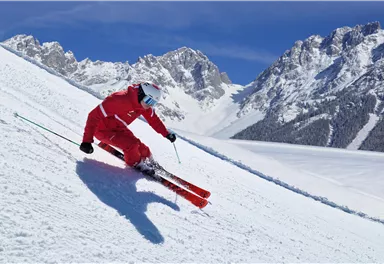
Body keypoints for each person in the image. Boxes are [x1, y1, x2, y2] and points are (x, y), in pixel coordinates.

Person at [79, 82, 176, 172]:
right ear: (140, 94)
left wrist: (166, 134)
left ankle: (150, 161)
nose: (149, 105)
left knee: (142, 148)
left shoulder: (143, 105)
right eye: (148, 100)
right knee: (131, 145)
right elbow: (93, 116)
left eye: (153, 103)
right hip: (102, 130)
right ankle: (137, 164)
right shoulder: (119, 99)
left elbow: (154, 120)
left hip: (119, 128)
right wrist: (86, 141)